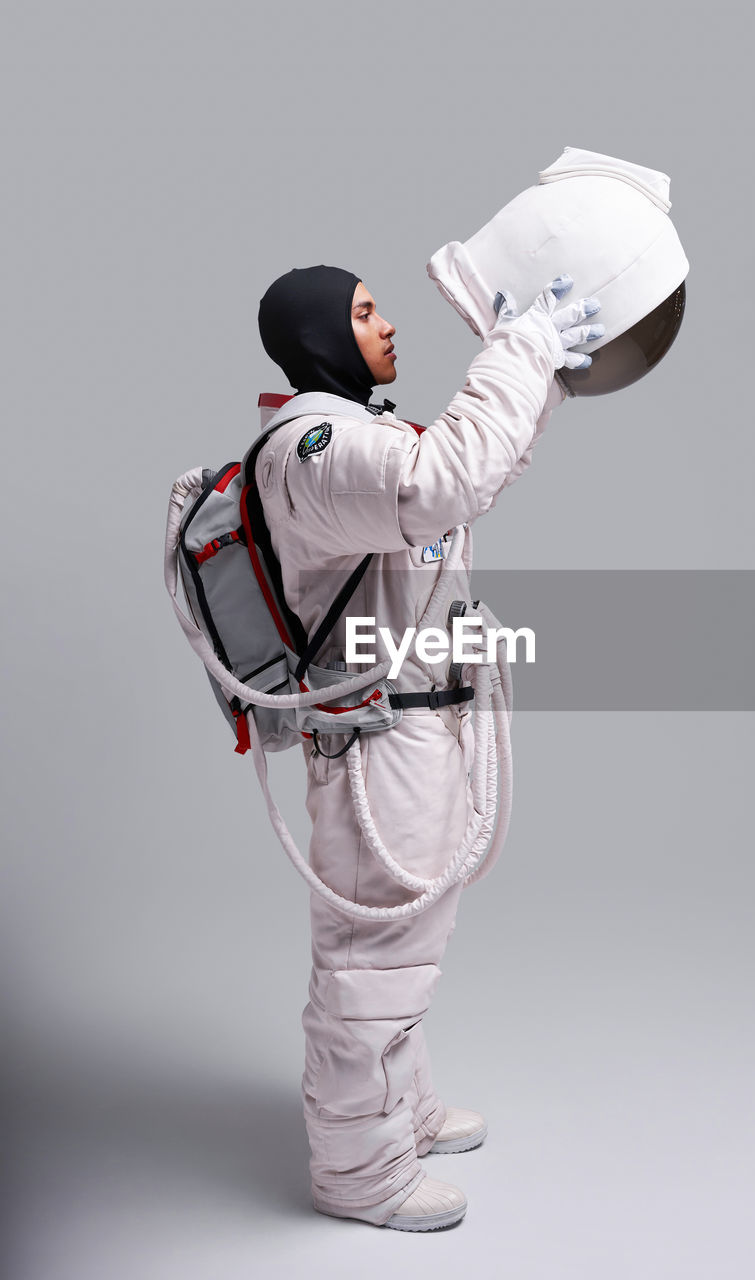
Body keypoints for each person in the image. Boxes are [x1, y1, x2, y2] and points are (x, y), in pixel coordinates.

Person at [255, 263, 602, 1230]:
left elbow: (467, 482)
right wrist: (520, 349)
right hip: (378, 736)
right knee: (373, 960)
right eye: (364, 313)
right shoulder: (314, 445)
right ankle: (357, 1174)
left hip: (415, 724)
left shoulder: (361, 436)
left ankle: (397, 1115)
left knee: (410, 944)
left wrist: (544, 383)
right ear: (319, 333)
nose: (387, 324)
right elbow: (445, 477)